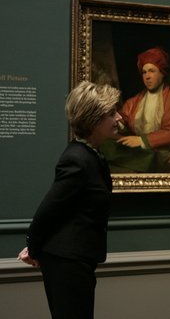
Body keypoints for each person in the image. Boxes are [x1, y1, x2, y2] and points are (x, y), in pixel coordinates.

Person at [17, 81, 122, 319]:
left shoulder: (91, 156)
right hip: (66, 262)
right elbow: (48, 210)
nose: (119, 117)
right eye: (111, 113)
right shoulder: (78, 159)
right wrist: (33, 248)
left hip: (76, 260)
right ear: (94, 119)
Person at [103, 46, 170, 173]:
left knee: (149, 158)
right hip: (142, 149)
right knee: (106, 145)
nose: (147, 76)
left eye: (152, 71)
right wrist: (119, 123)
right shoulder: (137, 99)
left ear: (162, 73)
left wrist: (141, 140)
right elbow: (124, 116)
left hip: (166, 154)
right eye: (144, 72)